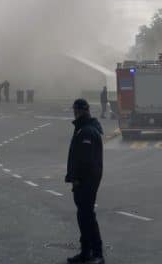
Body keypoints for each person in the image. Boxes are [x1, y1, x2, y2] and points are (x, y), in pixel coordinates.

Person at [65, 98, 104, 264]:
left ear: (82, 111)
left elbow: (86, 161)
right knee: (83, 217)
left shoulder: (87, 131)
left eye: (76, 110)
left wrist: (77, 179)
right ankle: (86, 252)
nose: (75, 113)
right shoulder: (84, 128)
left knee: (87, 217)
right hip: (84, 181)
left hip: (86, 182)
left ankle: (97, 254)